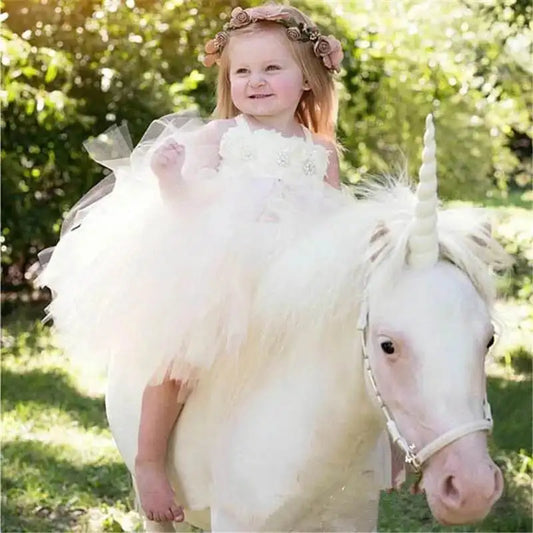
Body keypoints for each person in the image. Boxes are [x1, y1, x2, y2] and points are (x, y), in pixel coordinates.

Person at [37, 2, 346, 524]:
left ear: (309, 79)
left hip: (294, 279)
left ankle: (368, 445)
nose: (255, 81)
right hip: (224, 273)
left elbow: (336, 222)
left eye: (272, 68)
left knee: (353, 346)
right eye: (242, 71)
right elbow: (186, 209)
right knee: (183, 354)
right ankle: (150, 460)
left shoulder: (322, 151)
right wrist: (171, 180)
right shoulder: (222, 137)